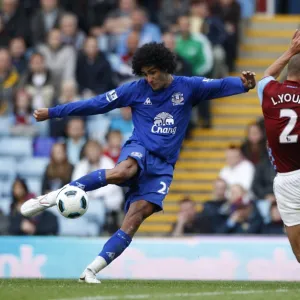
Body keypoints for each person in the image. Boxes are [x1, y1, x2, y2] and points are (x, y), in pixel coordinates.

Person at [20, 42, 256, 283]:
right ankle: (52, 196)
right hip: (139, 148)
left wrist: (245, 84)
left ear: (165, 67)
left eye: (153, 72)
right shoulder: (134, 90)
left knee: (135, 218)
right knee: (124, 170)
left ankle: (90, 271)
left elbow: (221, 85)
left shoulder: (188, 87)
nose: (150, 78)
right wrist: (54, 112)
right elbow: (95, 103)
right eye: (145, 73)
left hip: (163, 166)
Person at [256, 30, 300, 263]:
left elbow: (266, 75)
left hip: (285, 179)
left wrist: (291, 50)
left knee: (299, 252)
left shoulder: (269, 91)